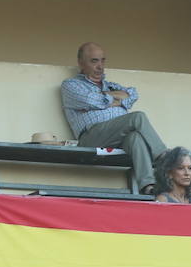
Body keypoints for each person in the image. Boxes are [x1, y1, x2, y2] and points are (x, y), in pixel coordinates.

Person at [62, 42, 168, 196]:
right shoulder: (71, 85)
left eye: (102, 60)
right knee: (138, 117)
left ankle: (148, 186)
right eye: (94, 61)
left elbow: (132, 94)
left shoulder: (110, 85)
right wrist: (117, 100)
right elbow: (92, 100)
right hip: (91, 137)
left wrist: (105, 99)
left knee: (135, 137)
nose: (100, 66)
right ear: (81, 63)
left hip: (117, 136)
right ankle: (164, 158)